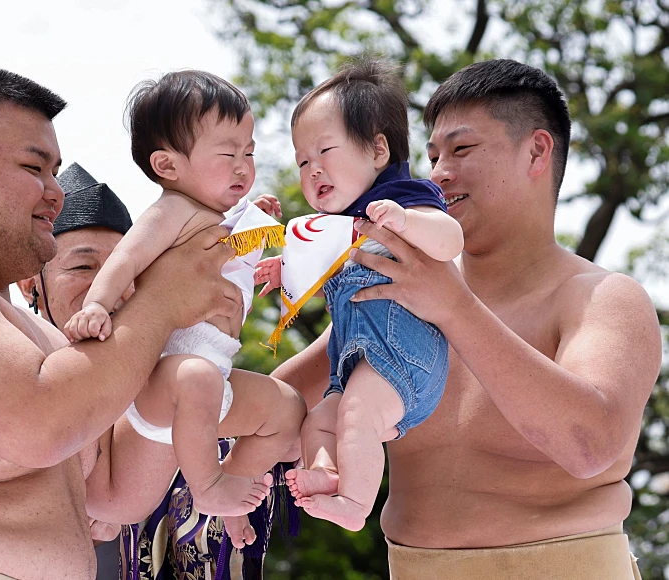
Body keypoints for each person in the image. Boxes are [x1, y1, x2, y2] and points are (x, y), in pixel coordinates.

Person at [0, 65, 244, 580]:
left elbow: (111, 488)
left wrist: (199, 343)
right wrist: (163, 298)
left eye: (54, 171)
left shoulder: (41, 338)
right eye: (34, 168)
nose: (55, 192)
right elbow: (41, 424)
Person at [271, 59, 661, 579]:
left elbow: (589, 446)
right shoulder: (394, 285)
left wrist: (454, 306)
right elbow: (279, 408)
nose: (438, 173)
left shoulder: (603, 298)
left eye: (462, 149)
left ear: (537, 151)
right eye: (432, 155)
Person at [17, 162, 295, 580]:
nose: (110, 288)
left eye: (130, 272)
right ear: (30, 284)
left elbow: (296, 406)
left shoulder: (179, 377)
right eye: (82, 267)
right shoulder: (17, 361)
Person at [63, 70, 305, 528]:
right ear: (168, 166)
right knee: (197, 377)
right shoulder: (171, 210)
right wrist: (96, 303)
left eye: (249, 152)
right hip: (167, 384)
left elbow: (223, 264)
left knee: (288, 409)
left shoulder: (218, 220)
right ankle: (208, 487)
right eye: (227, 153)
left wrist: (258, 229)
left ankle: (232, 490)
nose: (243, 166)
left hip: (217, 376)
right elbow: (125, 259)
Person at [254, 57, 463, 532]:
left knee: (354, 412)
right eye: (302, 160)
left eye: (325, 150)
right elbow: (313, 271)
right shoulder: (333, 230)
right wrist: (281, 267)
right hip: (356, 361)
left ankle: (355, 503)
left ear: (377, 150)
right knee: (321, 419)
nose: (313, 169)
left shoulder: (404, 198)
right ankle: (327, 473)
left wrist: (405, 222)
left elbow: (451, 241)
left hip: (409, 354)